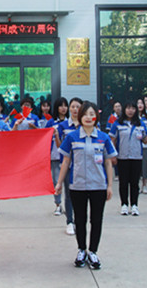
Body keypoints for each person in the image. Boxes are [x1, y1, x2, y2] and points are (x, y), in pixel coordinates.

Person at [55, 101, 117, 270]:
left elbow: (108, 163)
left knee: (96, 220)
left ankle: (93, 252)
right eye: (85, 114)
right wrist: (59, 183)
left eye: (92, 114)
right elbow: (65, 161)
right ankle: (81, 250)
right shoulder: (72, 137)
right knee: (80, 220)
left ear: (96, 117)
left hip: (99, 186)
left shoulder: (103, 138)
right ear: (80, 116)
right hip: (78, 186)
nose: (89, 117)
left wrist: (110, 186)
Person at [109, 101, 147, 216]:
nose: (130, 111)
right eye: (128, 108)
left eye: (132, 108)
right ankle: (124, 205)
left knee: (134, 183)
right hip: (122, 157)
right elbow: (112, 140)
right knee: (123, 182)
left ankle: (134, 205)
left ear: (136, 110)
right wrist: (113, 155)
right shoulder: (118, 123)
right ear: (124, 110)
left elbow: (145, 140)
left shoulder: (140, 124)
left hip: (136, 157)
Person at [55, 97, 82, 235]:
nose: (75, 109)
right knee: (69, 194)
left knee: (82, 195)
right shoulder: (63, 125)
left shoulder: (86, 125)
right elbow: (60, 147)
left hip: (83, 166)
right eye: (73, 107)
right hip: (68, 165)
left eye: (78, 107)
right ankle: (70, 221)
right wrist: (56, 136)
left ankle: (80, 221)